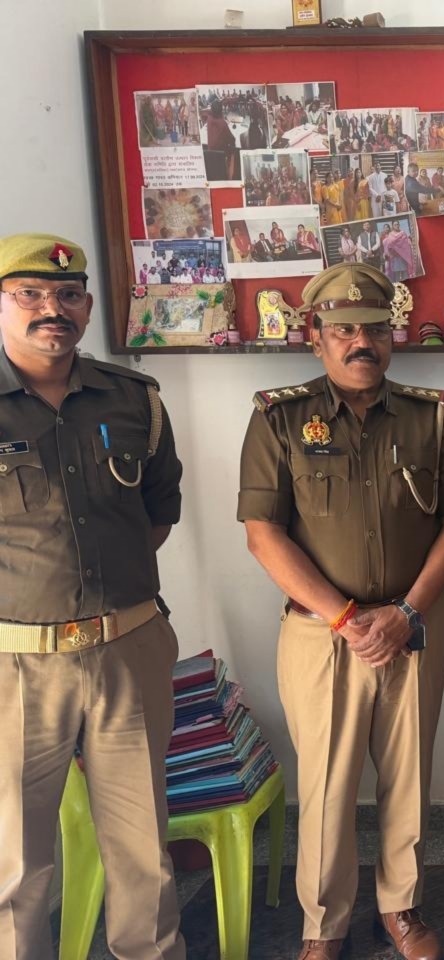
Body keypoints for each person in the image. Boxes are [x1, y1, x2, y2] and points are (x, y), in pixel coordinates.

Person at [237, 262, 444, 960]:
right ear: (317, 337)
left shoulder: (431, 415)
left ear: (391, 336)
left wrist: (406, 611)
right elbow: (263, 534)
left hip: (415, 625)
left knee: (410, 775)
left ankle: (400, 908)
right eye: (343, 329)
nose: (360, 342)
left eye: (373, 328)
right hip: (323, 635)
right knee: (327, 784)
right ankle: (324, 926)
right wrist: (346, 619)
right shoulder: (279, 418)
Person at [0, 233, 186, 960]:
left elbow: (158, 514)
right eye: (30, 294)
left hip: (127, 652)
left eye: (69, 294)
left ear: (86, 306)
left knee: (143, 854)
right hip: (17, 667)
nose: (54, 308)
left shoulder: (134, 399)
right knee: (16, 862)